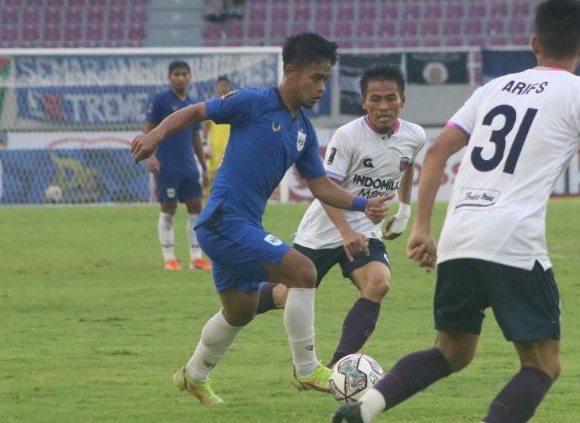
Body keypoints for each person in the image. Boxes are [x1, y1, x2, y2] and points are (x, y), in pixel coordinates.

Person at [332, 1, 580, 422]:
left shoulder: (494, 88)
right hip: (512, 239)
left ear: (533, 44)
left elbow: (437, 154)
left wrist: (424, 228)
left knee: (450, 352)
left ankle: (364, 408)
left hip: (459, 235)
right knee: (542, 364)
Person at [131, 32, 393, 406]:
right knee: (303, 272)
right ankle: (307, 368)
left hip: (243, 227)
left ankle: (194, 375)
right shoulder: (254, 102)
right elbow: (195, 112)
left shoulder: (302, 129)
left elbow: (320, 184)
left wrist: (361, 202)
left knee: (240, 311)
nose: (322, 87)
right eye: (315, 78)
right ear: (290, 72)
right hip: (224, 221)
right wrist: (155, 134)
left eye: (326, 79)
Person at [255, 64, 427, 368]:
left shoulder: (415, 135)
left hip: (365, 228)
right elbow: (326, 189)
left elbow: (407, 163)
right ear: (363, 102)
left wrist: (404, 208)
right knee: (284, 296)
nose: (383, 106)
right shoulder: (348, 136)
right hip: (325, 226)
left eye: (390, 98)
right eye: (375, 99)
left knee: (378, 283)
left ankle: (339, 368)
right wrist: (346, 232)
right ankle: (238, 299)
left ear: (403, 100)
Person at [144, 60, 212, 271]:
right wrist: (150, 155)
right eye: (176, 74)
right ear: (169, 77)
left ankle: (195, 257)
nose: (180, 78)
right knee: (168, 209)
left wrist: (203, 166)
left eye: (184, 74)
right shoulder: (160, 101)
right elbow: (149, 129)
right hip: (167, 166)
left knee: (195, 208)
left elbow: (195, 136)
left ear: (190, 77)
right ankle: (169, 257)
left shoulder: (193, 104)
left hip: (188, 167)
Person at [202, 75, 233, 201]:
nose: (223, 88)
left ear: (229, 87)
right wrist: (205, 144)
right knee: (209, 184)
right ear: (216, 87)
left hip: (230, 151)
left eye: (225, 85)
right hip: (215, 152)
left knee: (229, 183)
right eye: (221, 85)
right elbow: (206, 126)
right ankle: (206, 210)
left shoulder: (234, 106)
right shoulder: (213, 106)